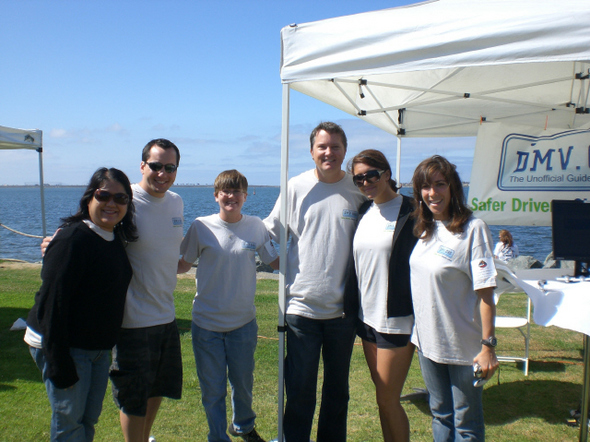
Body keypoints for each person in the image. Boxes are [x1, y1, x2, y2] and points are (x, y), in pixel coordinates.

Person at [264, 121, 366, 442]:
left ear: (344, 151)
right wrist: (273, 259)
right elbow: (269, 230)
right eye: (322, 146)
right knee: (299, 393)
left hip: (343, 313)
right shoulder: (295, 186)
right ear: (311, 152)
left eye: (335, 146)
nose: (329, 152)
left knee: (337, 394)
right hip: (301, 312)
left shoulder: (357, 191)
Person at [25, 167, 137, 441]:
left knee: (87, 419)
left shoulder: (113, 237)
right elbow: (52, 303)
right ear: (90, 197)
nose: (112, 203)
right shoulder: (73, 238)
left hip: (97, 349)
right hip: (67, 346)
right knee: (69, 424)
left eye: (121, 199)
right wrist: (59, 361)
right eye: (104, 195)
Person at [178, 170, 279, 442]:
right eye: (225, 191)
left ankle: (243, 426)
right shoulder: (201, 226)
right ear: (216, 195)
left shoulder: (256, 226)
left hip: (243, 325)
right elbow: (182, 264)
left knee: (243, 385)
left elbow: (275, 261)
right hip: (206, 326)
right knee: (213, 390)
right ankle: (217, 437)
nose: (231, 196)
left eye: (236, 191)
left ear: (245, 196)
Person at [409, 155, 499, 441]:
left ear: (453, 188)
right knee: (440, 415)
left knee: (466, 423)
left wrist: (488, 347)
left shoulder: (474, 229)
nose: (432, 193)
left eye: (439, 184)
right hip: (427, 343)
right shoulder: (426, 227)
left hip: (464, 348)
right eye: (425, 186)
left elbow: (486, 294)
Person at [109, 138, 184, 442]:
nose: (162, 173)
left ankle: (144, 438)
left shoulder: (176, 202)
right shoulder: (126, 202)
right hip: (132, 320)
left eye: (170, 167)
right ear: (142, 166)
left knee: (158, 389)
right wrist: (58, 238)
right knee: (133, 394)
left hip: (166, 316)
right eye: (155, 166)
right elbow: (93, 226)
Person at [344, 150, 418, 442]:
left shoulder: (413, 211)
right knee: (382, 400)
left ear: (386, 174)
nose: (365, 182)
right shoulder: (364, 210)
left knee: (388, 400)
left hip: (396, 320)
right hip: (366, 319)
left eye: (371, 175)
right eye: (358, 178)